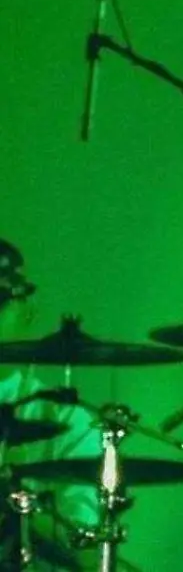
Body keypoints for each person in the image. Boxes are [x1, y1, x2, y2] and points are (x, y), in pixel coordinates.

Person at [0, 238, 102, 570]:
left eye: (1, 301)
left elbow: (89, 552)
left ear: (27, 311)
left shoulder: (67, 419)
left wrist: (10, 498)